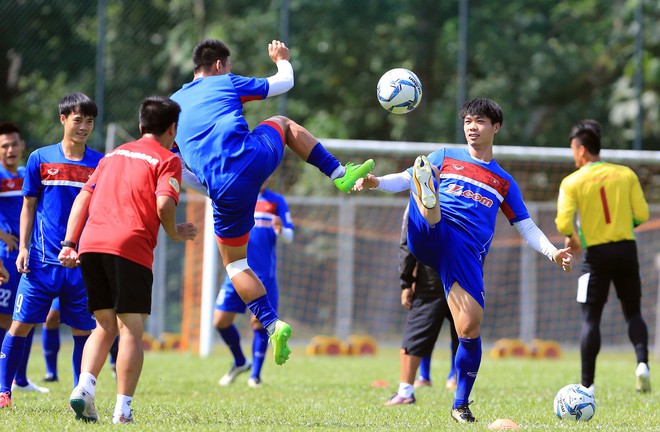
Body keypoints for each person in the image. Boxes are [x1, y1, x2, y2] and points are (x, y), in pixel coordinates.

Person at [354, 98, 573, 422]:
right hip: (433, 233)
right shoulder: (445, 156)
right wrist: (376, 182)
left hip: (466, 253)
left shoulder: (503, 182)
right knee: (421, 185)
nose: (472, 127)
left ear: (495, 127)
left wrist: (552, 251)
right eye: (468, 121)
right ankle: (426, 195)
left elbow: (524, 225)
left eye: (480, 121)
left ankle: (460, 405)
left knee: (470, 328)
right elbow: (401, 178)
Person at [171, 38, 374, 366]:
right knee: (282, 123)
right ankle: (339, 173)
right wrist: (281, 59)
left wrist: (211, 190)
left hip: (221, 189)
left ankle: (271, 322)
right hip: (252, 161)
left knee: (235, 265)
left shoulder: (173, 105)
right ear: (220, 65)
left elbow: (176, 167)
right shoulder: (224, 81)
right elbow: (284, 82)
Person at [58, 96, 197, 424]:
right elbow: (164, 204)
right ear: (172, 129)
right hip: (129, 246)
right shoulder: (168, 159)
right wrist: (176, 232)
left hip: (91, 244)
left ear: (140, 125)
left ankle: (84, 389)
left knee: (103, 325)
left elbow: (84, 197)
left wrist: (69, 243)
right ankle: (123, 410)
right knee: (130, 329)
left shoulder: (113, 155)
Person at [0, 93, 103, 409]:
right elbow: (28, 207)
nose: (83, 127)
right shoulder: (40, 159)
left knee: (83, 330)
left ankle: (79, 395)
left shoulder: (101, 163)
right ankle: (4, 392)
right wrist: (24, 249)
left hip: (81, 265)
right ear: (63, 119)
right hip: (42, 263)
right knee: (19, 324)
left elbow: (100, 212)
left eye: (89, 121)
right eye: (78, 120)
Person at [555, 119, 651, 394]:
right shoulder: (626, 174)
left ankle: (588, 384)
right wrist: (621, 228)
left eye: (573, 149)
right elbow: (642, 215)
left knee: (591, 318)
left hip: (596, 255)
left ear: (582, 150)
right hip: (626, 250)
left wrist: (575, 239)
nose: (573, 155)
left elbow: (563, 223)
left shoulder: (572, 182)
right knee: (633, 312)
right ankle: (642, 364)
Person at [215, 177, 293, 388]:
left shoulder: (276, 201)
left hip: (263, 275)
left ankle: (255, 376)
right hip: (236, 273)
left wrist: (280, 229)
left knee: (258, 323)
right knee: (220, 321)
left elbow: (289, 236)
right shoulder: (237, 194)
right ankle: (240, 361)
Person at [385, 204, 458, 406]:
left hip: (431, 281)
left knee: (417, 334)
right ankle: (455, 382)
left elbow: (407, 243)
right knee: (465, 334)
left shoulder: (416, 201)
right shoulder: (468, 195)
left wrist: (406, 282)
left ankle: (407, 390)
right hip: (463, 275)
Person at [0, 122, 48, 394]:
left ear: (22, 146)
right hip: (4, 256)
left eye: (13, 144)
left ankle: (20, 379)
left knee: (25, 315)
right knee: (4, 318)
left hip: (27, 255)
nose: (10, 150)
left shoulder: (26, 173)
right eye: (4, 145)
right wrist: (4, 235)